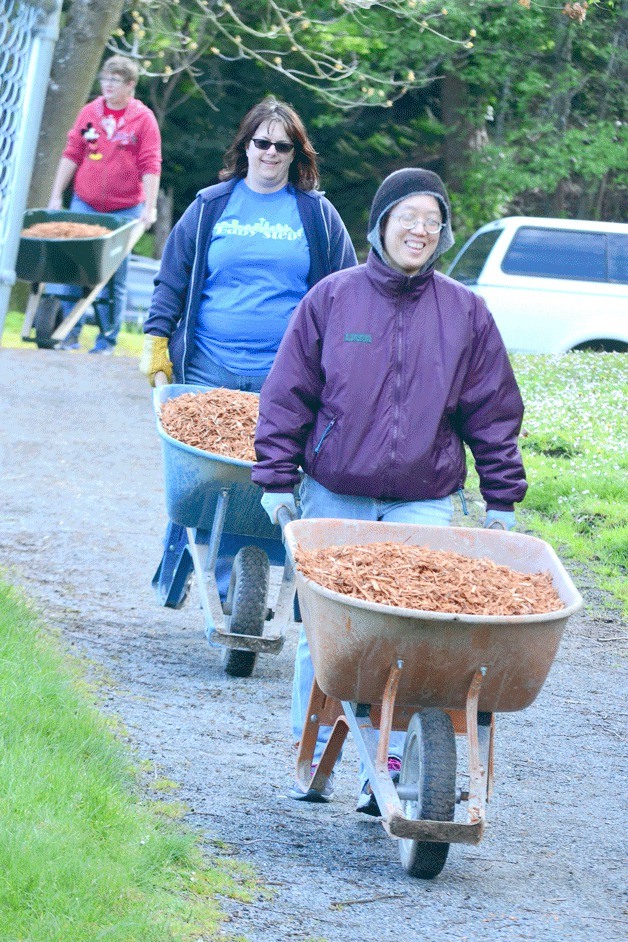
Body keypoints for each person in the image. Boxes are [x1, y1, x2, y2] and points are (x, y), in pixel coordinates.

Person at [253, 167, 527, 811]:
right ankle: (311, 750)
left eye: (432, 222)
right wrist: (274, 477)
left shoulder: (465, 312)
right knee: (329, 635)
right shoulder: (332, 298)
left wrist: (502, 499)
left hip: (422, 497)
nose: (420, 231)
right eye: (408, 217)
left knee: (416, 638)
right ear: (379, 226)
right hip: (336, 493)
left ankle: (388, 770)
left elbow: (492, 410)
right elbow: (288, 394)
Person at [139, 96, 357, 606]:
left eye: (283, 146)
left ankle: (266, 582)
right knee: (206, 482)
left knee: (272, 475)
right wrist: (155, 339)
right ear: (247, 145)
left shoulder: (317, 215)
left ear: (295, 153)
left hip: (284, 375)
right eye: (263, 143)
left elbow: (347, 292)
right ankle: (194, 573)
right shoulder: (212, 205)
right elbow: (171, 278)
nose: (271, 153)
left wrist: (348, 360)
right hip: (207, 365)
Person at [48, 55, 161, 354]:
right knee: (73, 267)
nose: (107, 85)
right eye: (104, 79)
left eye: (115, 80)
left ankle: (106, 342)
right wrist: (56, 194)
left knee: (113, 275)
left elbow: (151, 164)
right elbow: (72, 152)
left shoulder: (143, 118)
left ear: (130, 85)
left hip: (124, 208)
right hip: (84, 202)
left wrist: (149, 207)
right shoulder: (90, 112)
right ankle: (67, 336)